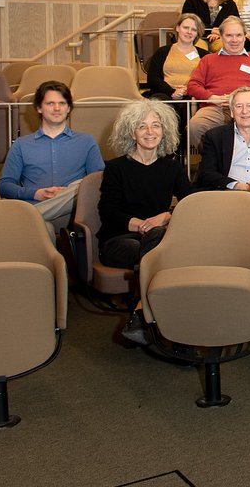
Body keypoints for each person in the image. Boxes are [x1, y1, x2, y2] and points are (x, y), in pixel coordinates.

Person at [97, 98, 191, 344]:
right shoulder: (115, 168)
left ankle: (140, 312)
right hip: (119, 240)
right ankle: (174, 330)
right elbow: (108, 211)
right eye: (142, 126)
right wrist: (139, 224)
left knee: (156, 241)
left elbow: (192, 202)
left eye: (156, 125)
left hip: (155, 239)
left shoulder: (172, 168)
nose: (150, 132)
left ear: (165, 130)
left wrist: (167, 215)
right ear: (131, 132)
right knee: (161, 252)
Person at [0, 80, 105, 237]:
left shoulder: (86, 141)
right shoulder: (21, 144)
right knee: (45, 230)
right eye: (50, 103)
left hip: (74, 214)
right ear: (39, 108)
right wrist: (36, 193)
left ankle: (25, 218)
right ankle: (33, 218)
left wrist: (71, 192)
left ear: (68, 108)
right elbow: (4, 185)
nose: (57, 108)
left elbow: (99, 182)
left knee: (81, 186)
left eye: (62, 103)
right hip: (37, 206)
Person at [185, 16, 250, 148]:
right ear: (221, 36)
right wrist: (212, 98)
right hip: (215, 108)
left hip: (247, 108)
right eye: (229, 35)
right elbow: (192, 86)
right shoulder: (208, 60)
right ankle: (214, 160)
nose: (234, 40)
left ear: (245, 36)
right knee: (194, 126)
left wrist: (246, 98)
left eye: (238, 35)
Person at [194, 86, 250, 191]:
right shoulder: (215, 136)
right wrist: (236, 185)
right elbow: (206, 174)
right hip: (227, 194)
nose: (244, 111)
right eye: (239, 106)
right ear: (232, 112)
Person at [144, 13, 208, 115]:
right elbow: (153, 78)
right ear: (178, 28)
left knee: (188, 104)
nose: (189, 32)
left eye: (194, 29)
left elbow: (208, 80)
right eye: (186, 27)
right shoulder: (162, 52)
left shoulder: (205, 55)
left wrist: (188, 90)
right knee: (161, 105)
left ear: (197, 33)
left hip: (192, 95)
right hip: (165, 93)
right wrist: (172, 91)